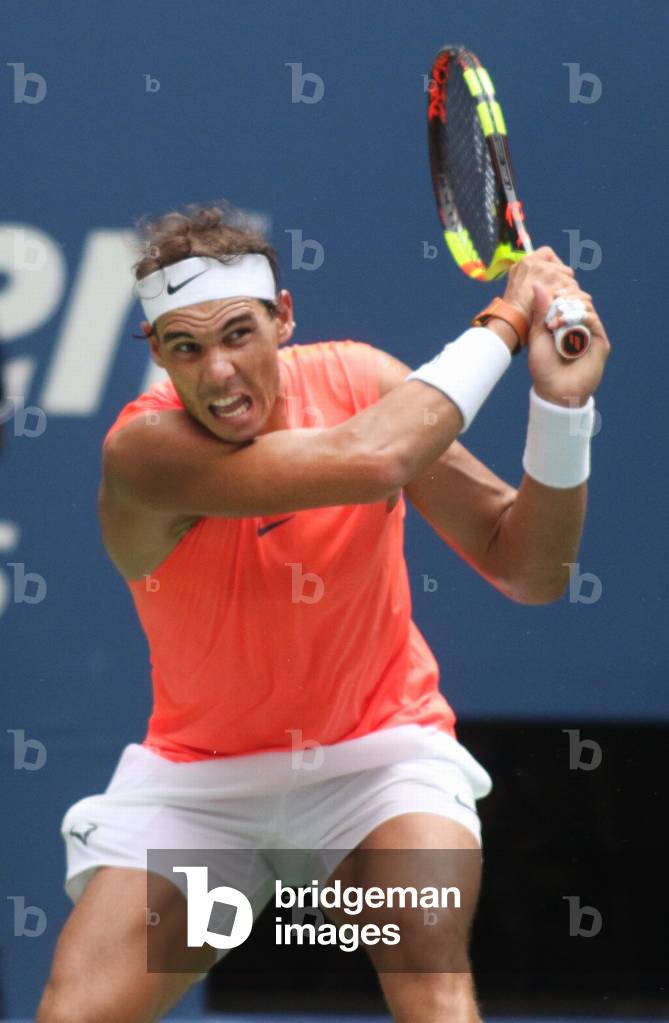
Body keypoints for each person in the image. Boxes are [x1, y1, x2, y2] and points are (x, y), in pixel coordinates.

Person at [37, 204, 610, 1022]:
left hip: (377, 759)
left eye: (238, 333)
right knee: (77, 1015)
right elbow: (375, 455)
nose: (218, 371)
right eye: (185, 346)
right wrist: (510, 315)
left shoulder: (358, 382)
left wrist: (561, 411)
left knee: (426, 967)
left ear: (283, 319)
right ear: (158, 354)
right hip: (200, 787)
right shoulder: (143, 452)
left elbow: (530, 569)